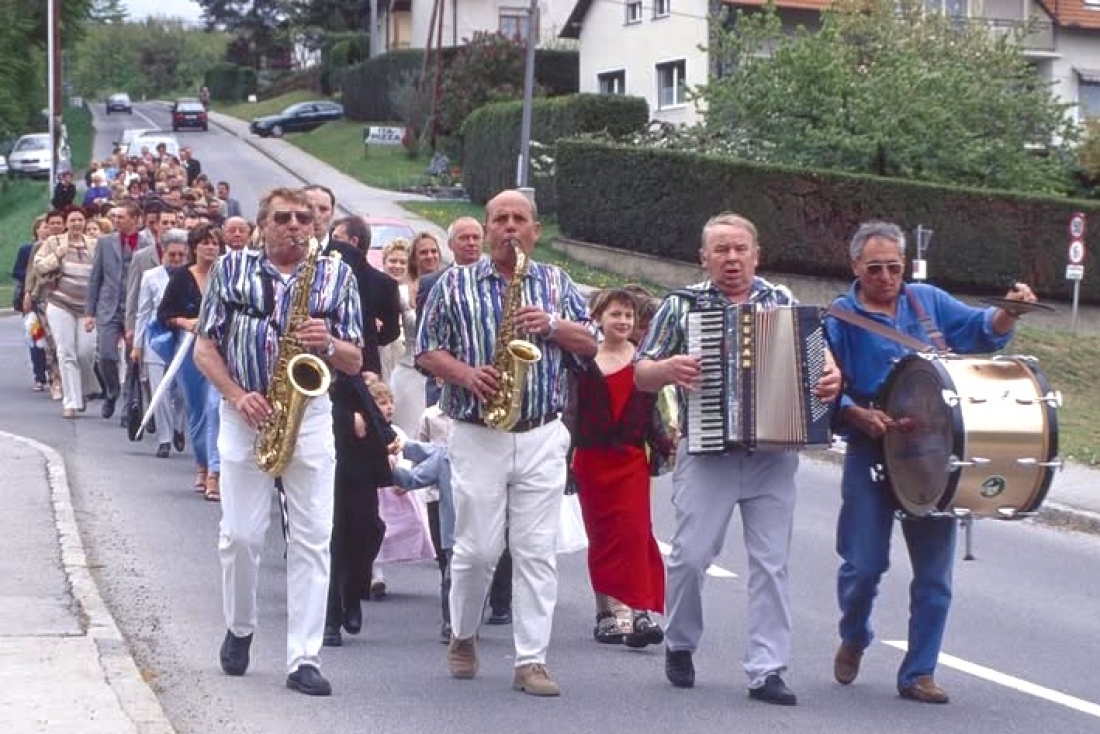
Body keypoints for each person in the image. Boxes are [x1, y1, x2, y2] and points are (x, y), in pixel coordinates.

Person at [823, 221, 1036, 705]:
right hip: (872, 449)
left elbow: (982, 331)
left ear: (904, 264)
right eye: (874, 269)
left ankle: (919, 673)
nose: (885, 277)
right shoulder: (839, 318)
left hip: (936, 455)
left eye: (893, 267)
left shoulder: (928, 301)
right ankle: (855, 633)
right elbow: (823, 385)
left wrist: (1008, 311)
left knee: (935, 577)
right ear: (855, 266)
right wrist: (854, 413)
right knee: (862, 566)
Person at [634, 212, 841, 706]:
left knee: (771, 564)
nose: (731, 258)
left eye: (740, 249)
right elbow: (641, 373)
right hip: (707, 451)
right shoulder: (681, 305)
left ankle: (767, 670)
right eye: (721, 250)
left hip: (773, 452)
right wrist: (667, 368)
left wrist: (832, 377)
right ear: (704, 258)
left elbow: (821, 360)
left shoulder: (783, 301)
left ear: (756, 254)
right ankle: (680, 641)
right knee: (690, 557)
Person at [417, 189, 596, 697]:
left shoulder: (556, 281)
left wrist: (553, 326)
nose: (510, 228)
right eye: (501, 219)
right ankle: (463, 631)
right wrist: (466, 374)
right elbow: (426, 351)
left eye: (520, 219)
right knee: (477, 550)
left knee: (536, 551)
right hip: (478, 433)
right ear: (487, 227)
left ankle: (531, 660)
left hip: (541, 432)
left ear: (535, 231)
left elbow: (591, 344)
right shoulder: (454, 283)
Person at [193, 187, 364, 696]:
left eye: (304, 219)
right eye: (284, 218)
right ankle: (240, 626)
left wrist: (328, 343)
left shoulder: (336, 274)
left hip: (309, 415)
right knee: (240, 536)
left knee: (313, 538)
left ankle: (304, 657)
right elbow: (204, 347)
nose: (295, 226)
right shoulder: (231, 269)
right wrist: (236, 395)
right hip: (244, 413)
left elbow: (356, 359)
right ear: (262, 225)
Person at [566, 287, 673, 647]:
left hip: (630, 461)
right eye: (616, 314)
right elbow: (571, 413)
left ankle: (639, 614)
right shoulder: (583, 361)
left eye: (629, 315)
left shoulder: (645, 361)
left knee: (636, 534)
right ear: (598, 318)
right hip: (592, 461)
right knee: (602, 539)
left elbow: (652, 412)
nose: (623, 321)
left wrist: (665, 444)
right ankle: (607, 615)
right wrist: (564, 460)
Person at [159, 224, 225, 498]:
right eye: (205, 242)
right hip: (188, 350)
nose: (210, 247)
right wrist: (185, 322)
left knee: (214, 407)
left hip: (219, 351)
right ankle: (201, 463)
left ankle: (215, 473)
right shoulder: (181, 277)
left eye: (215, 243)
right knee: (197, 410)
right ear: (194, 247)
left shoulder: (227, 275)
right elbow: (164, 314)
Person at [33, 207, 99, 418]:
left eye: (80, 220)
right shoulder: (54, 243)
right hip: (60, 303)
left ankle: (84, 389)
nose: (76, 224)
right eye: (72, 220)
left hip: (87, 308)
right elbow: (39, 266)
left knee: (86, 352)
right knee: (66, 352)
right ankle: (70, 401)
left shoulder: (94, 244)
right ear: (66, 223)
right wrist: (58, 255)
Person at [132, 229, 190, 458]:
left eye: (181, 255)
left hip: (183, 335)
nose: (176, 259)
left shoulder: (191, 275)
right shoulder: (151, 276)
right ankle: (165, 438)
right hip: (156, 336)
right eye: (172, 254)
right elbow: (143, 311)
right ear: (163, 253)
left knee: (182, 390)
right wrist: (137, 345)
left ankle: (178, 425)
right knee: (160, 390)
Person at [85, 200, 143, 420]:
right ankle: (111, 391)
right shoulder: (105, 242)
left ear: (135, 219)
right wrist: (90, 312)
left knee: (132, 359)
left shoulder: (147, 243)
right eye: (114, 217)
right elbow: (95, 278)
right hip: (108, 306)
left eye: (121, 217)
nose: (116, 221)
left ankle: (128, 405)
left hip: (134, 309)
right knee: (106, 355)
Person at [12, 216, 50, 391]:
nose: (47, 230)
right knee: (36, 338)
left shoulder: (56, 248)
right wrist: (32, 278)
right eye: (44, 227)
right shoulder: (26, 250)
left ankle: (54, 373)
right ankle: (39, 376)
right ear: (36, 230)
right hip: (32, 299)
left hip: (51, 299)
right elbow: (17, 272)